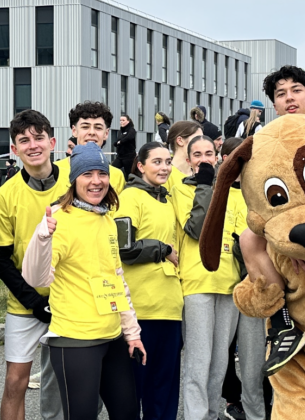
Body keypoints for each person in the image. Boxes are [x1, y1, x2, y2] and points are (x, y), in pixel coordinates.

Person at [22, 142, 145, 420]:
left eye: (101, 174)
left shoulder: (108, 221)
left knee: (127, 413)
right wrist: (42, 238)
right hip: (75, 340)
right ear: (74, 179)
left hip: (112, 336)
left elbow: (117, 280)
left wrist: (132, 332)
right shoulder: (59, 220)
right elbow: (36, 278)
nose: (96, 181)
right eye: (87, 174)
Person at [239, 66, 305, 378]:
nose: (289, 98)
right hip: (288, 221)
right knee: (248, 237)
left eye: (296, 90)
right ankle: (283, 323)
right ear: (274, 105)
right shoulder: (265, 141)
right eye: (281, 94)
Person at [0, 110, 64, 420]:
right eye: (24, 140)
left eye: (38, 138)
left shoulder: (76, 178)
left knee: (68, 384)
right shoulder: (5, 195)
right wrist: (34, 302)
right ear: (14, 149)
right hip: (25, 303)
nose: (32, 145)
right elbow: (1, 259)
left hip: (71, 299)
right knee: (15, 383)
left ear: (52, 142)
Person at [169, 135, 243, 420]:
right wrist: (203, 185)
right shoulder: (181, 190)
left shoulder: (231, 191)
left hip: (229, 283)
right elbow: (196, 229)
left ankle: (212, 414)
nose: (203, 158)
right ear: (188, 160)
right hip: (196, 282)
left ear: (217, 156)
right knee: (198, 362)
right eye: (196, 154)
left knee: (220, 361)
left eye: (208, 153)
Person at [113, 142, 183, 420]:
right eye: (157, 162)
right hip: (142, 307)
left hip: (170, 307)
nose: (164, 167)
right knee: (135, 390)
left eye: (167, 161)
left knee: (165, 392)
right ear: (140, 166)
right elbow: (123, 247)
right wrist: (162, 249)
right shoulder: (130, 197)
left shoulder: (165, 199)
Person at [218, 137, 268, 420]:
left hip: (253, 284)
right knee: (218, 357)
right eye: (234, 159)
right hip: (220, 285)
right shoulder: (214, 191)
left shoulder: (257, 192)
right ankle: (229, 402)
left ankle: (256, 413)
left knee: (253, 359)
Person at [54, 101, 125, 195]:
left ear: (106, 134)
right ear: (74, 131)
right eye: (85, 127)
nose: (92, 132)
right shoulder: (55, 170)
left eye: (98, 128)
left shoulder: (117, 175)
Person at [166, 121, 203, 192]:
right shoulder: (166, 174)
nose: (203, 142)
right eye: (197, 139)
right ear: (180, 141)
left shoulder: (200, 173)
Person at [113, 114, 136, 179]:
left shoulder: (131, 130)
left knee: (129, 173)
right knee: (112, 168)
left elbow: (129, 137)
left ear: (128, 121)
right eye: (120, 120)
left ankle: (130, 185)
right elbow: (118, 141)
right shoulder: (120, 131)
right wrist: (116, 143)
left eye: (123, 120)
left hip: (129, 156)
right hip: (120, 156)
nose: (121, 122)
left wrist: (121, 142)